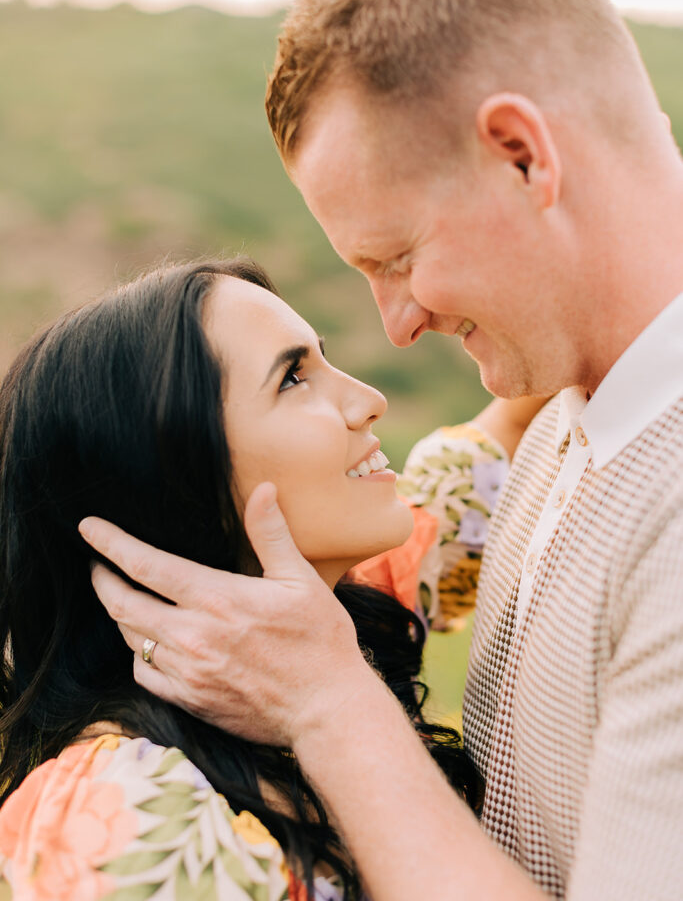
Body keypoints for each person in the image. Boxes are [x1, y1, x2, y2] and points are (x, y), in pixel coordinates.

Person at [84, 0, 683, 901]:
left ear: (521, 156)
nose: (396, 327)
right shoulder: (559, 439)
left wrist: (329, 708)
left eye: (396, 258)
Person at [0, 256, 540, 899]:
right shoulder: (119, 820)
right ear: (170, 484)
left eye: (322, 359)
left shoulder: (333, 625)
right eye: (292, 378)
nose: (369, 401)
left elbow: (508, 426)